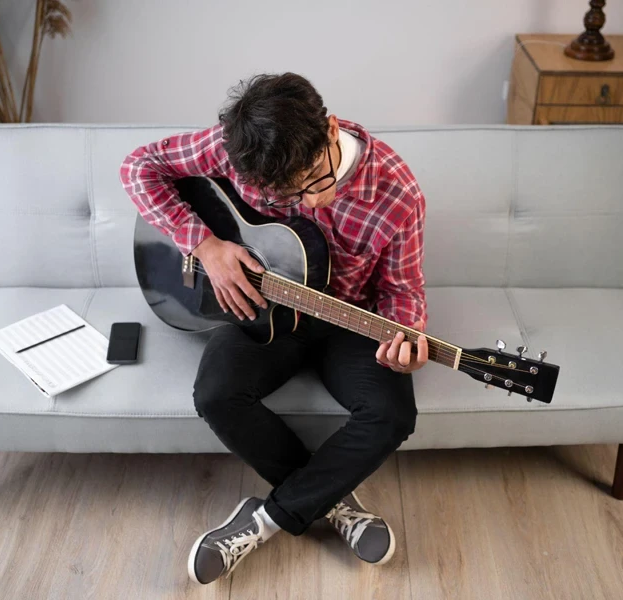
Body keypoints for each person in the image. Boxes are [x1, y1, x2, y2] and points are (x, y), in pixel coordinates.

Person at [120, 72, 428, 585]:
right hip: (256, 308)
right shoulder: (237, 147)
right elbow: (138, 168)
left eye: (314, 181)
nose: (307, 202)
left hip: (348, 321)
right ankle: (330, 499)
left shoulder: (397, 191)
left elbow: (403, 293)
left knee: (392, 414)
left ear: (331, 131)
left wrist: (407, 337)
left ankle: (266, 520)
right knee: (216, 394)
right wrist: (205, 246)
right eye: (285, 194)